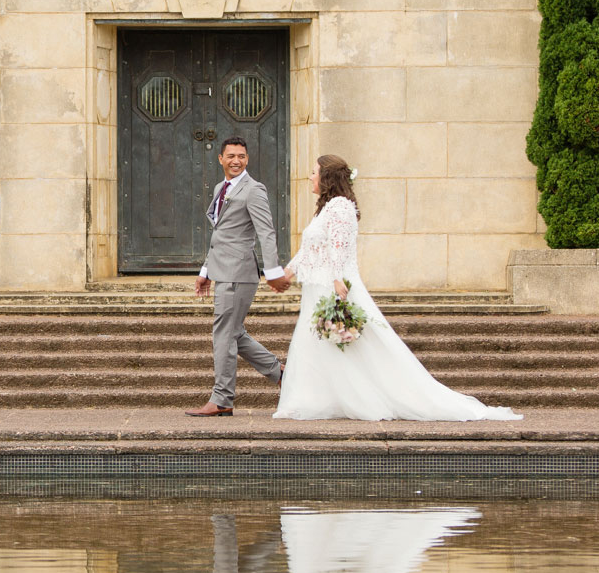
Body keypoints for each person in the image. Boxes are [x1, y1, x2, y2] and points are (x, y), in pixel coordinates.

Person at [274, 154, 522, 422]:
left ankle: (368, 398)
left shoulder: (341, 207)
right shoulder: (326, 207)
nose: (310, 177)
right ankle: (315, 399)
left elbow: (339, 247)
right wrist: (287, 273)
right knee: (316, 346)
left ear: (328, 178)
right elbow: (310, 250)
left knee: (354, 346)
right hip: (316, 288)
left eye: (314, 172)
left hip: (332, 287)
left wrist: (337, 281)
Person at [186, 137, 290, 418]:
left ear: (247, 159)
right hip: (223, 271)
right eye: (230, 156)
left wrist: (273, 271)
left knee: (224, 334)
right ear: (220, 158)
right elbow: (220, 235)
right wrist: (206, 271)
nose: (236, 161)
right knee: (234, 333)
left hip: (239, 272)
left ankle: (222, 399)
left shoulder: (254, 190)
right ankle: (280, 372)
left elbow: (266, 232)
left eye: (241, 156)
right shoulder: (222, 188)